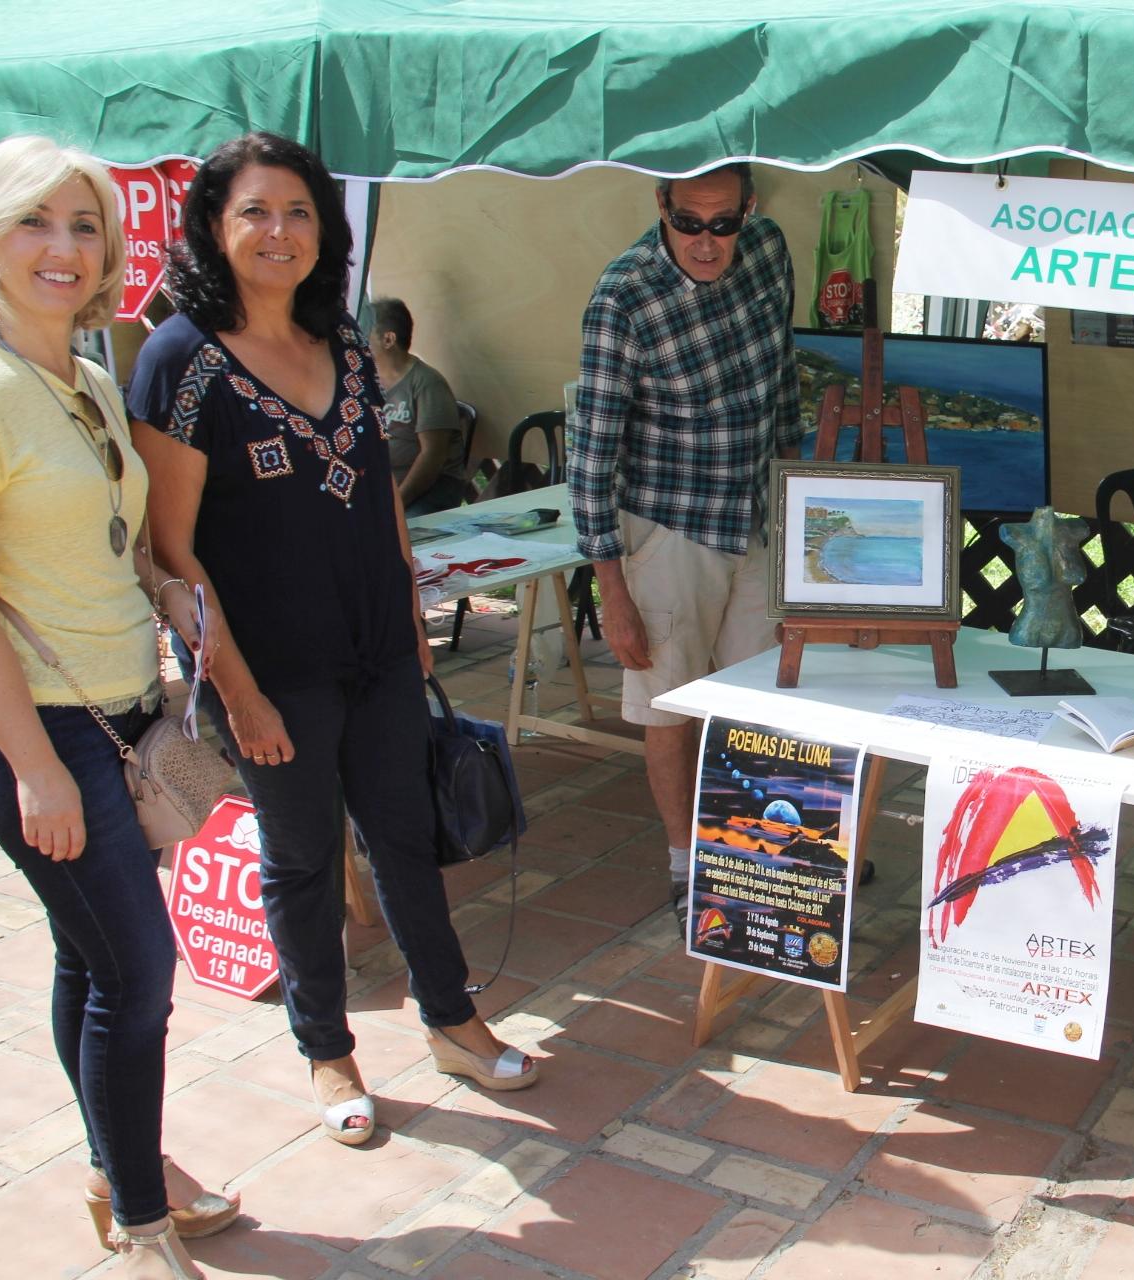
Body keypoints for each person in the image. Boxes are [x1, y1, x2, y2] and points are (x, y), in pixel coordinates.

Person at [128, 132, 538, 1152]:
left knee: (406, 838)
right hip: (270, 672)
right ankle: (327, 1049)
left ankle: (452, 1019)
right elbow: (171, 551)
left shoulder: (345, 343)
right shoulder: (182, 358)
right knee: (304, 860)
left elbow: (380, 501)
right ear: (212, 225)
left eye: (300, 211)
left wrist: (409, 618)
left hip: (378, 653)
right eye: (255, 211)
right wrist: (239, 692)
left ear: (327, 231)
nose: (280, 231)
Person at [0, 135, 235, 1279]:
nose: (63, 247)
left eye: (85, 225)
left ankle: (113, 1165)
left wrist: (164, 589)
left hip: (127, 712)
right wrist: (36, 766)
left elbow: (107, 540)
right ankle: (140, 1223)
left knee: (92, 959)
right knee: (138, 971)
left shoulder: (82, 377)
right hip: (46, 728)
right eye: (34, 220)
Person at [569, 162, 802, 939]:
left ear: (749, 211)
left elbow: (783, 377)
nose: (707, 242)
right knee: (670, 705)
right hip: (668, 526)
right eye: (689, 223)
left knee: (759, 702)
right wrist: (612, 589)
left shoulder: (769, 250)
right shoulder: (623, 297)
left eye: (723, 223)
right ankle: (684, 865)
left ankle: (760, 859)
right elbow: (591, 453)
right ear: (660, 205)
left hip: (756, 515)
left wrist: (797, 497)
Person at [366, 297, 467, 516]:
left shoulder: (427, 383)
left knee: (402, 530)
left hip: (430, 489)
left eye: (365, 334)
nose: (357, 341)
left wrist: (396, 504)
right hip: (384, 486)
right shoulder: (364, 381)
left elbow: (432, 457)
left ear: (388, 339)